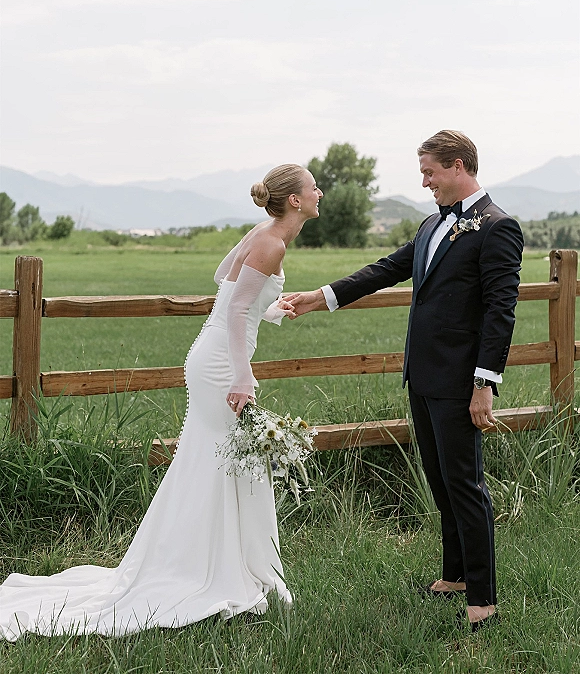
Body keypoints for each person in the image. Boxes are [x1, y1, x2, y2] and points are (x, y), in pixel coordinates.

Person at [0, 164, 323, 640]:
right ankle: (197, 570)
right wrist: (243, 373)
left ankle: (215, 560)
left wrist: (270, 307)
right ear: (295, 200)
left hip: (212, 353)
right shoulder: (271, 241)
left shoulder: (265, 233)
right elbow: (234, 306)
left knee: (217, 463)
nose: (320, 192)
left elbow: (224, 280)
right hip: (219, 366)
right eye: (313, 187)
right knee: (218, 462)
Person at [285, 131, 524, 632]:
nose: (424, 182)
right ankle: (455, 576)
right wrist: (322, 296)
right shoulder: (432, 224)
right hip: (422, 375)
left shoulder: (498, 228)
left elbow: (501, 311)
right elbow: (386, 269)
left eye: (430, 173)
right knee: (439, 480)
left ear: (458, 167)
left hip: (461, 380)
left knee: (465, 483)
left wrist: (485, 384)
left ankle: (482, 598)